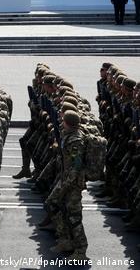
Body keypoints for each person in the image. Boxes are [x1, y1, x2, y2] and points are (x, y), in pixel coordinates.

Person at [47, 111, 88, 260]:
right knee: (54, 205)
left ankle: (81, 250)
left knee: (74, 217)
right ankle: (66, 239)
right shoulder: (68, 135)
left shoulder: (76, 140)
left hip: (73, 184)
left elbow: (76, 166)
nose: (61, 122)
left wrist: (65, 186)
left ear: (68, 123)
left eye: (63, 120)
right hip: (65, 180)